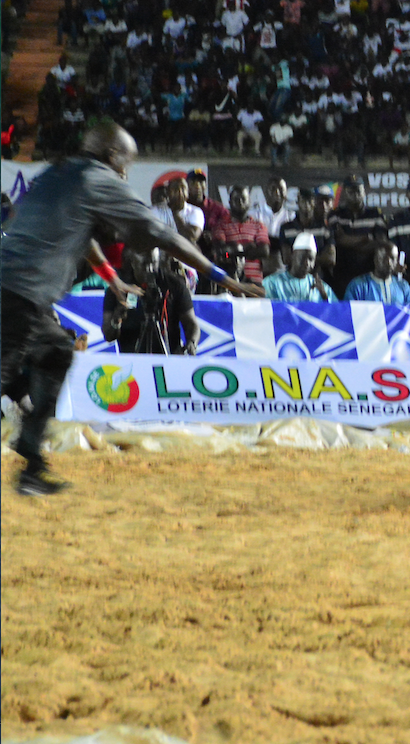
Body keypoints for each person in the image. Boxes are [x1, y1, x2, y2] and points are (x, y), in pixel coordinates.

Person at [0, 121, 257, 495]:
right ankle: (30, 461)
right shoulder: (99, 178)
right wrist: (224, 277)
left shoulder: (57, 174)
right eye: (128, 164)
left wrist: (112, 279)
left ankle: (31, 460)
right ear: (113, 155)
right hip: (18, 293)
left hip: (18, 292)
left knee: (57, 353)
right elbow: (163, 234)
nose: (126, 173)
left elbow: (80, 233)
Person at [101, 247, 201, 354]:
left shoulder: (174, 284)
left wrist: (192, 343)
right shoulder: (118, 288)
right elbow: (108, 336)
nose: (150, 268)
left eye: (154, 263)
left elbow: (191, 324)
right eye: (144, 264)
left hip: (169, 358)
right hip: (132, 359)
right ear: (133, 262)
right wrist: (116, 320)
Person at [329, 175, 387, 298]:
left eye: (358, 190)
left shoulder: (375, 214)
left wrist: (348, 241)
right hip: (342, 275)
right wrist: (366, 238)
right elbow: (339, 240)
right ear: (345, 193)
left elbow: (380, 243)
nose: (355, 194)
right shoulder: (335, 215)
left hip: (369, 275)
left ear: (364, 192)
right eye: (351, 191)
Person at [210, 185, 270, 285]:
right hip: (229, 281)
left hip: (254, 282)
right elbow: (222, 253)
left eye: (243, 199)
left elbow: (264, 251)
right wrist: (246, 248)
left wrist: (233, 250)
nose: (240, 202)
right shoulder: (221, 225)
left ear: (249, 202)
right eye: (236, 199)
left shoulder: (258, 225)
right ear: (229, 202)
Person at [263, 233, 333, 301]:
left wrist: (324, 295)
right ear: (292, 255)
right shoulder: (271, 283)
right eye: (302, 257)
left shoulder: (321, 287)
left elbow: (336, 310)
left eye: (311, 259)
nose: (307, 263)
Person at [343, 241, 410, 304]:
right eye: (383, 258)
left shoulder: (403, 287)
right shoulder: (358, 286)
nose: (389, 263)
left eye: (392, 259)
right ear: (375, 260)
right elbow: (348, 313)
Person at [152, 177, 204, 244]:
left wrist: (175, 212)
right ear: (168, 192)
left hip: (184, 252)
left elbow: (191, 238)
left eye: (183, 188)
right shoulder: (156, 210)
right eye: (175, 189)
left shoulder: (195, 211)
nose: (179, 192)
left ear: (188, 193)